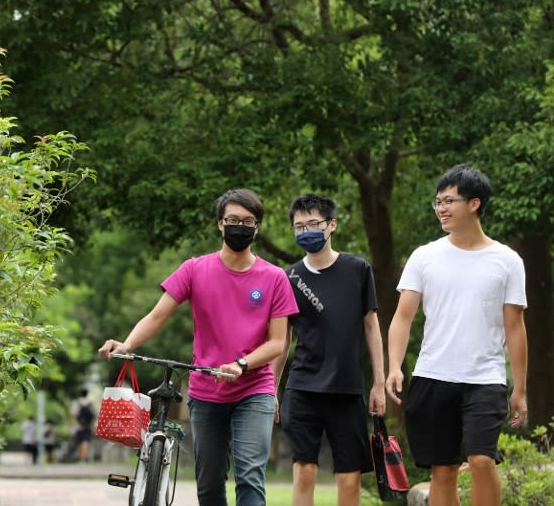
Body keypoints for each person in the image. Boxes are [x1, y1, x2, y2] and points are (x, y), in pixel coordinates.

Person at [99, 188, 299, 506]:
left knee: (250, 475)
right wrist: (128, 343)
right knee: (209, 483)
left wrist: (242, 365)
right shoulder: (194, 269)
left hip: (254, 389)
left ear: (257, 228)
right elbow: (157, 314)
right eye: (232, 219)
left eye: (248, 221)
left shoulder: (275, 278)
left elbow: (277, 342)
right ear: (220, 224)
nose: (240, 226)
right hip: (206, 392)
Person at [386, 164, 528, 506]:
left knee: (481, 461)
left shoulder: (507, 261)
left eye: (449, 200)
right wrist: (394, 366)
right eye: (438, 201)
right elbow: (402, 318)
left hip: (485, 378)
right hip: (434, 375)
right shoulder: (425, 256)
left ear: (474, 203)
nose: (441, 208)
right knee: (443, 470)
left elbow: (515, 327)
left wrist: (520, 389)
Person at [272, 194, 385, 506]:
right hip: (303, 388)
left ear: (331, 225)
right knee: (304, 470)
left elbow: (371, 326)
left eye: (313, 223)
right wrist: (272, 389)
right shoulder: (288, 277)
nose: (305, 230)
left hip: (347, 389)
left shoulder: (358, 270)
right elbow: (282, 340)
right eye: (298, 226)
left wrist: (379, 383)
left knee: (349, 478)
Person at [70, 388, 95, 463]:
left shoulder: (76, 402)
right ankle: (84, 459)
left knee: (79, 442)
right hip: (88, 425)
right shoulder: (91, 403)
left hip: (78, 426)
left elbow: (72, 414)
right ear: (87, 394)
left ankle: (81, 458)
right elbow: (95, 414)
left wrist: (71, 425)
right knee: (86, 441)